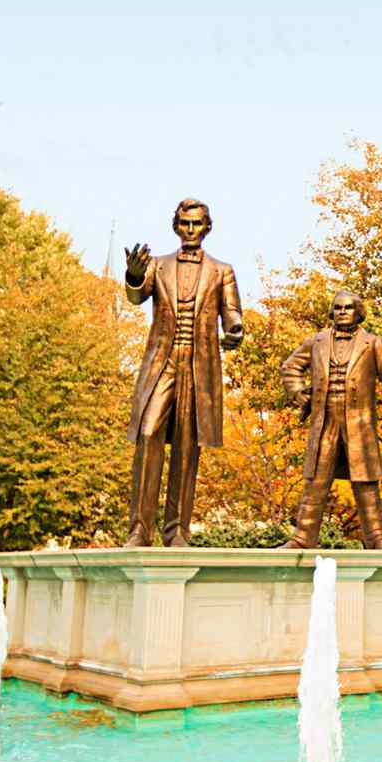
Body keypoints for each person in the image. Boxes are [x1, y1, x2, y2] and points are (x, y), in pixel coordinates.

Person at [123, 198, 243, 547]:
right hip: (162, 362)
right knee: (148, 435)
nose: (190, 230)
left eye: (197, 224)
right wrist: (133, 274)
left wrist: (235, 329)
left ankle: (176, 531)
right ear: (176, 226)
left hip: (199, 366)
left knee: (188, 448)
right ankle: (139, 530)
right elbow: (135, 298)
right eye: (185, 224)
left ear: (207, 227)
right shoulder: (157, 266)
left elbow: (232, 311)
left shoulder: (222, 271)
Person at [279, 290, 382, 549]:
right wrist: (299, 392)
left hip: (359, 421)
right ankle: (302, 539)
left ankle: (377, 539)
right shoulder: (317, 341)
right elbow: (290, 366)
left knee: (366, 482)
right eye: (337, 308)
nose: (342, 312)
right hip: (325, 420)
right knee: (315, 481)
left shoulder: (374, 343)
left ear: (358, 312)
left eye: (347, 308)